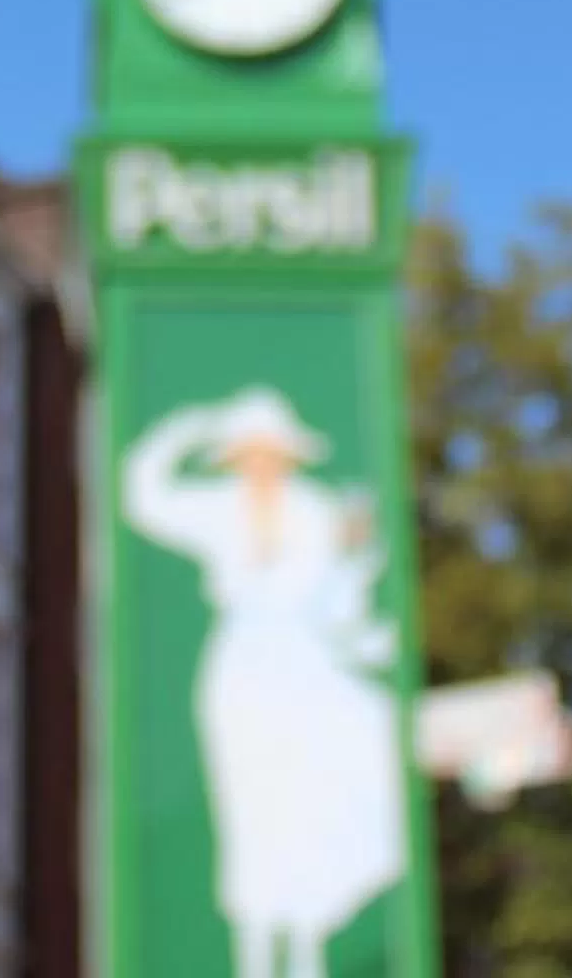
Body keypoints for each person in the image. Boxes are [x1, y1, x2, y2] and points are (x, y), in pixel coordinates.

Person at [122, 386, 406, 978]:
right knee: (250, 807)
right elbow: (144, 497)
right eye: (249, 452)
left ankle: (307, 953)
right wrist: (189, 426)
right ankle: (254, 955)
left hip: (308, 666)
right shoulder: (218, 508)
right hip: (246, 666)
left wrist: (363, 571)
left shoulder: (318, 510)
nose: (261, 464)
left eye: (270, 451)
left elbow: (340, 605)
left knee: (313, 798)